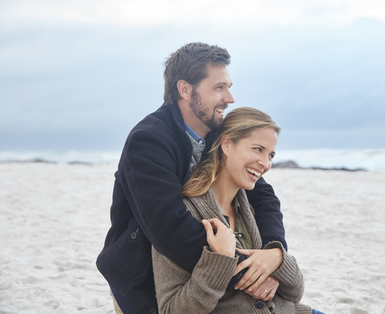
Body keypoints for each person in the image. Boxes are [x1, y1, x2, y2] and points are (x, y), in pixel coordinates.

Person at [96, 42, 288, 314]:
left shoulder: (215, 133)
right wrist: (248, 274)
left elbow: (264, 197)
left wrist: (274, 254)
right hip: (140, 281)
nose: (230, 98)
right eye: (219, 87)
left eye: (229, 87)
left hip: (201, 278)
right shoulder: (149, 140)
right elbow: (170, 228)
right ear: (185, 89)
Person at [152, 107, 313, 313]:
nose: (265, 164)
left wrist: (277, 258)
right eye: (257, 149)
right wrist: (219, 262)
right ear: (226, 144)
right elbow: (172, 310)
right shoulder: (184, 214)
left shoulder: (256, 209)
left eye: (271, 155)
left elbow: (295, 292)